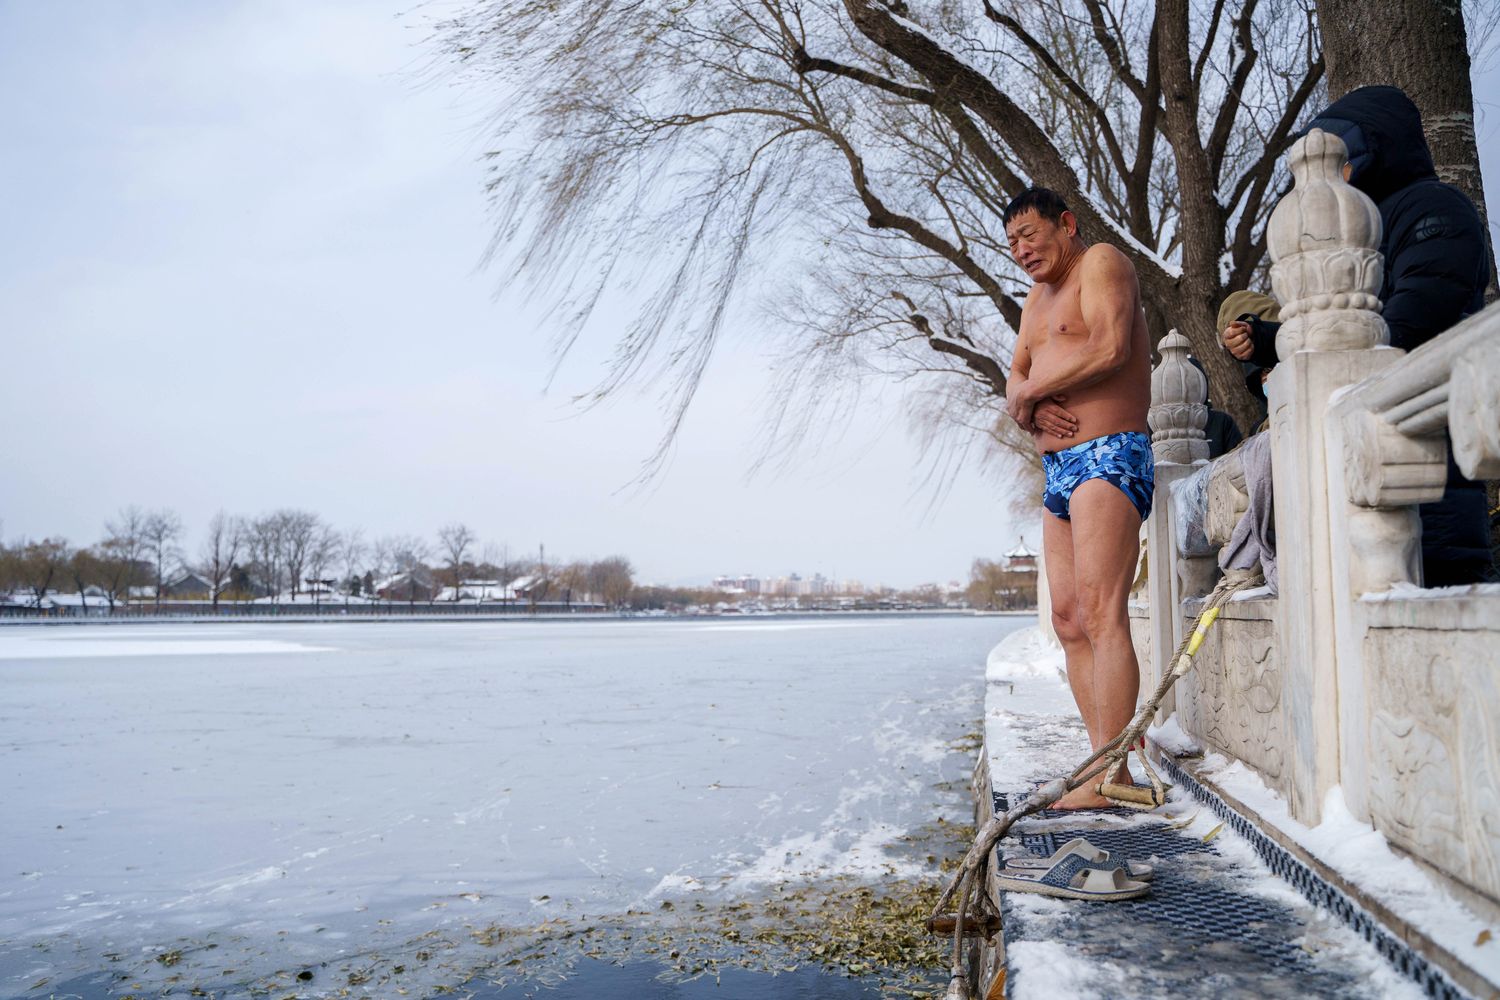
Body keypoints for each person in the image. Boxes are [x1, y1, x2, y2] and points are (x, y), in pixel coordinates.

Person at [1220, 86, 1493, 585]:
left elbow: (1414, 318)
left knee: (1432, 613)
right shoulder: (1356, 221)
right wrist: (1268, 342)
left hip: (1427, 463)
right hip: (1351, 469)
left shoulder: (1434, 207)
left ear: (1373, 144)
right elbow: (1343, 324)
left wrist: (1295, 340)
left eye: (1339, 154)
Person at [1002, 187, 1154, 809]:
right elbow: (1017, 376)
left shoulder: (1102, 264)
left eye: (1030, 235)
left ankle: (1112, 772)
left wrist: (1026, 396)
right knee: (1067, 620)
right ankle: (1101, 763)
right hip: (1059, 467)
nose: (1021, 251)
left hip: (1110, 453)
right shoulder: (1034, 302)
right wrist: (1030, 413)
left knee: (1100, 609)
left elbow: (1110, 346)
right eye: (1011, 243)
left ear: (1065, 225)